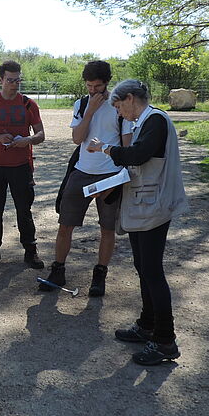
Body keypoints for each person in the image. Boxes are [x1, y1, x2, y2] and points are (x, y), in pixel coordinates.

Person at [86, 79, 189, 365]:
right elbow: (140, 160)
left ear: (131, 98)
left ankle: (165, 340)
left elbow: (139, 155)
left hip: (154, 206)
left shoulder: (155, 120)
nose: (119, 114)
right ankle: (147, 325)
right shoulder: (145, 121)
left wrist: (105, 148)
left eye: (119, 106)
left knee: (152, 271)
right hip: (145, 205)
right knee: (143, 267)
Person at [41, 60, 132, 296]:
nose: (93, 90)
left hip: (110, 174)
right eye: (89, 85)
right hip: (82, 171)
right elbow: (77, 138)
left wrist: (120, 179)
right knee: (65, 224)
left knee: (107, 228)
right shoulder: (81, 104)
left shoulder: (120, 107)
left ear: (107, 83)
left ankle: (100, 274)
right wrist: (90, 110)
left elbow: (127, 147)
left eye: (98, 86)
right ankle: (58, 269)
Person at [0, 60, 45, 269]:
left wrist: (28, 140)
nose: (15, 84)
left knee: (24, 210)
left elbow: (41, 134)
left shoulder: (29, 104)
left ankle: (30, 251)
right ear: (1, 80)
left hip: (21, 166)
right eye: (10, 80)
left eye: (17, 80)